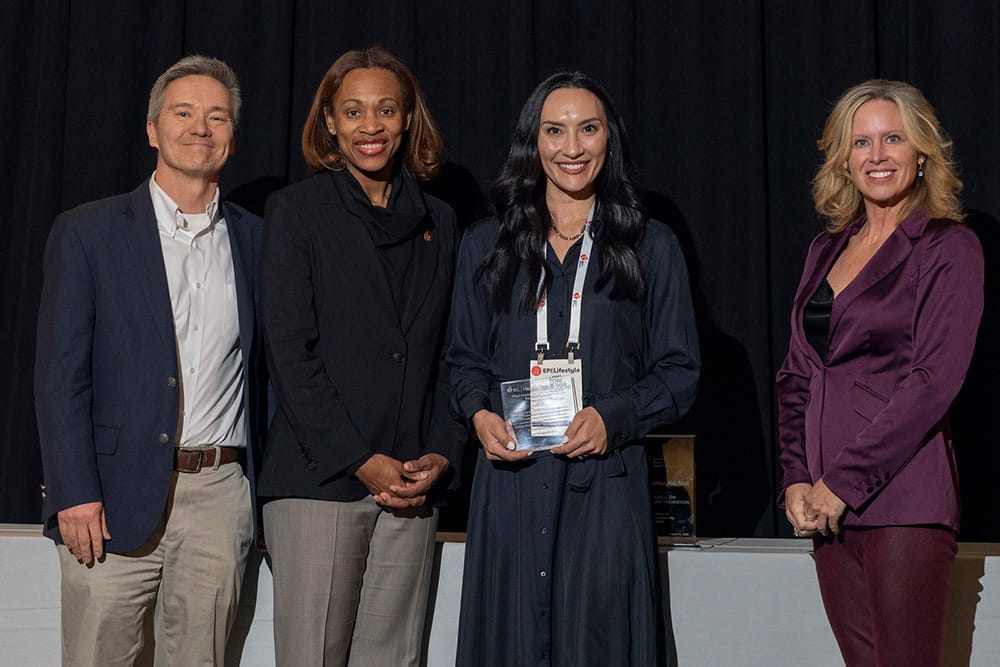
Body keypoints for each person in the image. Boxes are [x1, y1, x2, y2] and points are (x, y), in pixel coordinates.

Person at [448, 71, 700, 666]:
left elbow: (680, 373)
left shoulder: (651, 246)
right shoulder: (486, 245)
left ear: (609, 139)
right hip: (508, 486)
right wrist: (479, 415)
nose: (572, 147)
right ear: (532, 143)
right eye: (554, 130)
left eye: (588, 129)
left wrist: (614, 417)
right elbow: (463, 361)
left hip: (605, 487)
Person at [34, 55, 267, 665]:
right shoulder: (88, 232)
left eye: (217, 116)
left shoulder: (257, 239)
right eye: (183, 112)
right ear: (151, 129)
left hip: (218, 496)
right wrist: (73, 491)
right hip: (106, 500)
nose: (200, 127)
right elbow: (60, 377)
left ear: (233, 136)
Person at [259, 46, 466, 667]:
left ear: (408, 120)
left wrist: (441, 452)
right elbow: (290, 354)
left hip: (412, 482)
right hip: (319, 481)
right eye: (352, 111)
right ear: (329, 122)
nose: (369, 125)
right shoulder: (297, 213)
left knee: (394, 659)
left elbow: (452, 354)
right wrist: (358, 459)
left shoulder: (443, 220)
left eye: (385, 110)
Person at [777, 79, 983, 665]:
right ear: (843, 157)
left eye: (893, 138)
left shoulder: (949, 247)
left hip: (904, 503)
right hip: (823, 506)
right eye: (861, 142)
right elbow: (797, 373)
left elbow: (933, 381)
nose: (877, 155)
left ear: (922, 152)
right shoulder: (825, 249)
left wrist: (841, 484)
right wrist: (796, 477)